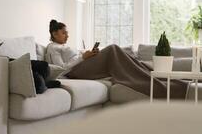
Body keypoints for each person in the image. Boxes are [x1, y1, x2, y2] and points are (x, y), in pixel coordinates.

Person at [46, 19, 188, 98]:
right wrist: (83, 57)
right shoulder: (53, 48)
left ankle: (158, 78)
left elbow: (75, 59)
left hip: (82, 65)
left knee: (124, 55)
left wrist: (88, 55)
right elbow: (61, 69)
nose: (67, 35)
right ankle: (158, 85)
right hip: (74, 73)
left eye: (67, 33)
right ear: (54, 34)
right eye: (63, 33)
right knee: (113, 49)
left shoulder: (63, 46)